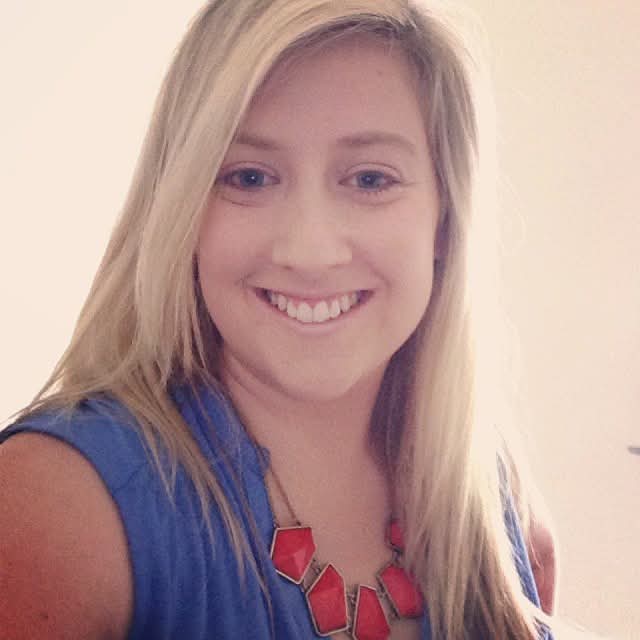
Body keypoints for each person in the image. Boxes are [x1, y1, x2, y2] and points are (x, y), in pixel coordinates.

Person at [0, 1, 560, 638]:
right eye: (249, 177)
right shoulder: (53, 508)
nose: (309, 251)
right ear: (182, 209)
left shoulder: (503, 512)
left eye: (370, 179)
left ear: (445, 218)